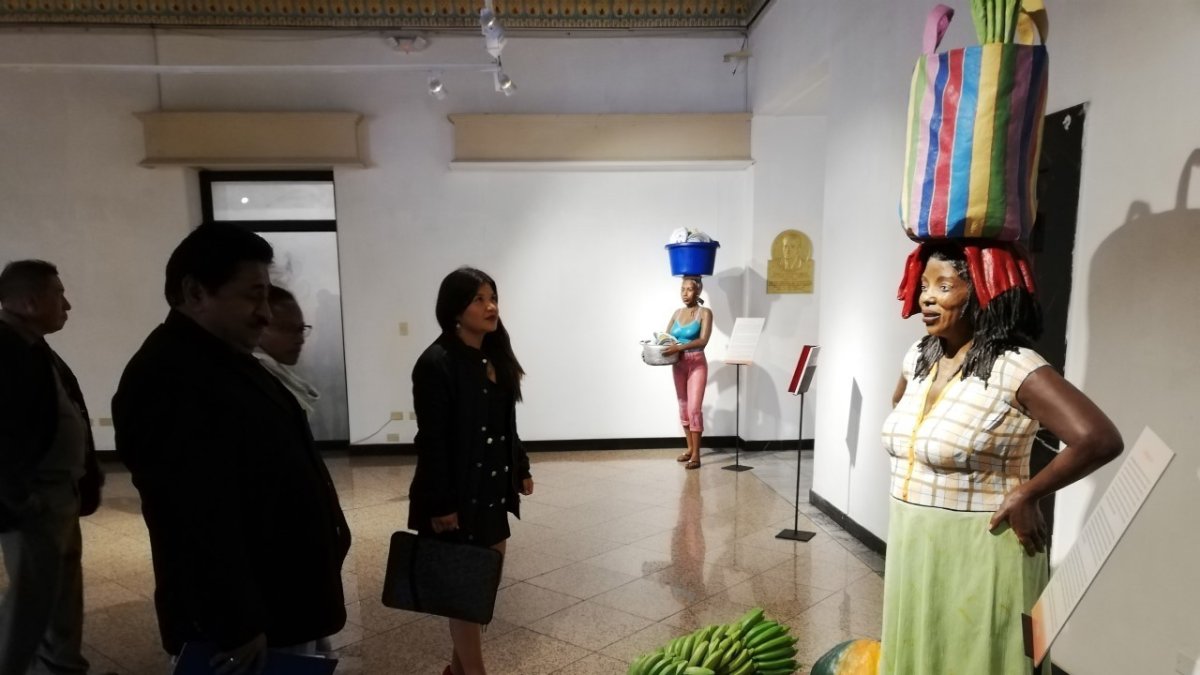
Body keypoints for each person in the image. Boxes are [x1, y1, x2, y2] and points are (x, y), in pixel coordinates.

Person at [111, 223, 350, 674]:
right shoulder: (169, 379)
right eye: (252, 296)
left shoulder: (224, 359)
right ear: (195, 292)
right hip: (247, 625)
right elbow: (192, 517)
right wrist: (236, 623)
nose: (265, 313)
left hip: (280, 604)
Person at [880, 242, 1123, 674]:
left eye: (944, 286)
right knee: (923, 648)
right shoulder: (919, 356)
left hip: (982, 544)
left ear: (982, 290)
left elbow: (1098, 438)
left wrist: (1027, 493)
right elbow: (902, 409)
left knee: (977, 655)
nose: (927, 298)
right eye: (924, 286)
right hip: (913, 536)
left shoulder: (1015, 366)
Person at [407, 267, 533, 675]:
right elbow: (433, 440)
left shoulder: (496, 356)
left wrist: (521, 467)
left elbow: (505, 423)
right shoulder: (436, 363)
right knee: (465, 592)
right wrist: (442, 504)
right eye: (478, 299)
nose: (490, 306)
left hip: (491, 490)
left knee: (481, 587)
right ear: (455, 309)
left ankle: (456, 671)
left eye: (492, 297)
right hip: (457, 496)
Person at [0, 260, 108, 675]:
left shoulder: (32, 346)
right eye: (59, 294)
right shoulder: (5, 350)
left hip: (60, 491)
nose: (67, 304)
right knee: (29, 604)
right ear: (30, 302)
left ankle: (61, 669)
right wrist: (19, 498)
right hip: (36, 498)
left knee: (61, 596)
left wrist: (85, 472)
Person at [661, 276, 713, 469]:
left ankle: (697, 456)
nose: (685, 293)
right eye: (682, 289)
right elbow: (666, 337)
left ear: (698, 291)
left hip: (696, 363)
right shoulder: (677, 313)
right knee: (683, 406)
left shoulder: (705, 313)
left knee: (694, 409)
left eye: (689, 289)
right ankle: (690, 448)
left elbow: (703, 341)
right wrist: (654, 348)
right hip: (678, 364)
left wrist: (679, 347)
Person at [255, 285, 320, 418]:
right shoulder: (257, 386)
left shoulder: (275, 377)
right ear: (257, 327)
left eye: (301, 329)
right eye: (287, 329)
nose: (300, 340)